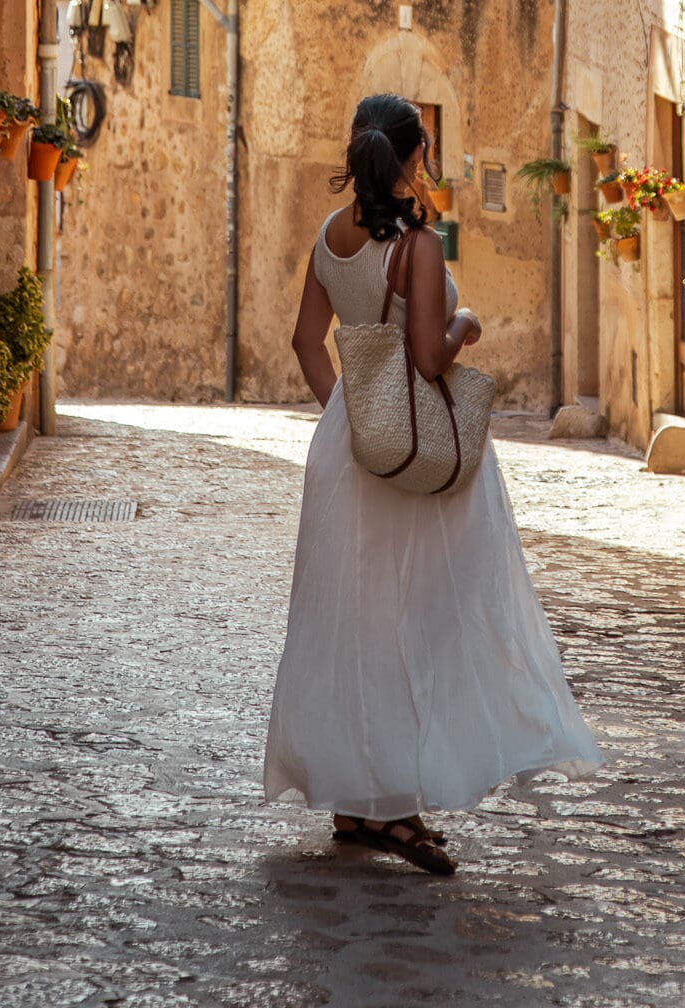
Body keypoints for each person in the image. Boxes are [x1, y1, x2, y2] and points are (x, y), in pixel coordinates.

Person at [264, 91, 602, 876]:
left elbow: (306, 342)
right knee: (427, 619)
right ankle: (391, 808)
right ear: (415, 155)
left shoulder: (329, 235)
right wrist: (466, 324)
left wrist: (354, 417)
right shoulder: (415, 244)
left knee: (353, 625)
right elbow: (426, 355)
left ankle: (358, 801)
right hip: (419, 458)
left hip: (349, 453)